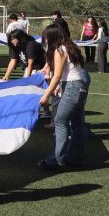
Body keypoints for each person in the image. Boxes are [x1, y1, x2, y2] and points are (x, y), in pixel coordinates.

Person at [38, 24, 89, 170]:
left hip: (72, 87)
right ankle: (75, 159)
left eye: (47, 37)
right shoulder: (71, 46)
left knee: (60, 122)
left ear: (52, 37)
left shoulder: (59, 50)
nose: (45, 40)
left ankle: (57, 160)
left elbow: (57, 76)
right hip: (80, 86)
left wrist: (46, 95)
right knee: (77, 124)